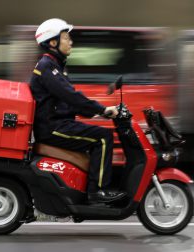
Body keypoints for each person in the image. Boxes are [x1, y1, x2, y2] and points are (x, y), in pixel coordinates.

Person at [30, 18, 126, 203]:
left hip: (58, 123)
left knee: (99, 135)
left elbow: (70, 101)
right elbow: (71, 96)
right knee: (103, 138)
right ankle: (96, 192)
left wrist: (99, 112)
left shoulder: (55, 66)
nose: (71, 42)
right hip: (52, 127)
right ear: (53, 42)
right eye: (67, 38)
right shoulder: (47, 67)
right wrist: (103, 109)